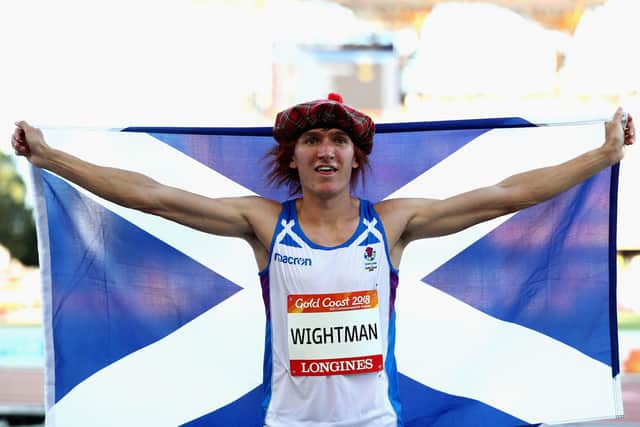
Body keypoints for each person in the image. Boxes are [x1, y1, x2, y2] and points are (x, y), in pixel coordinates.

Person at [11, 93, 636, 427]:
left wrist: (601, 156)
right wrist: (50, 156)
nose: (327, 150)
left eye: (339, 139)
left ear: (356, 157)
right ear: (295, 158)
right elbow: (154, 197)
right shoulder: (264, 224)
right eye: (313, 139)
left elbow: (505, 195)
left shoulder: (391, 224)